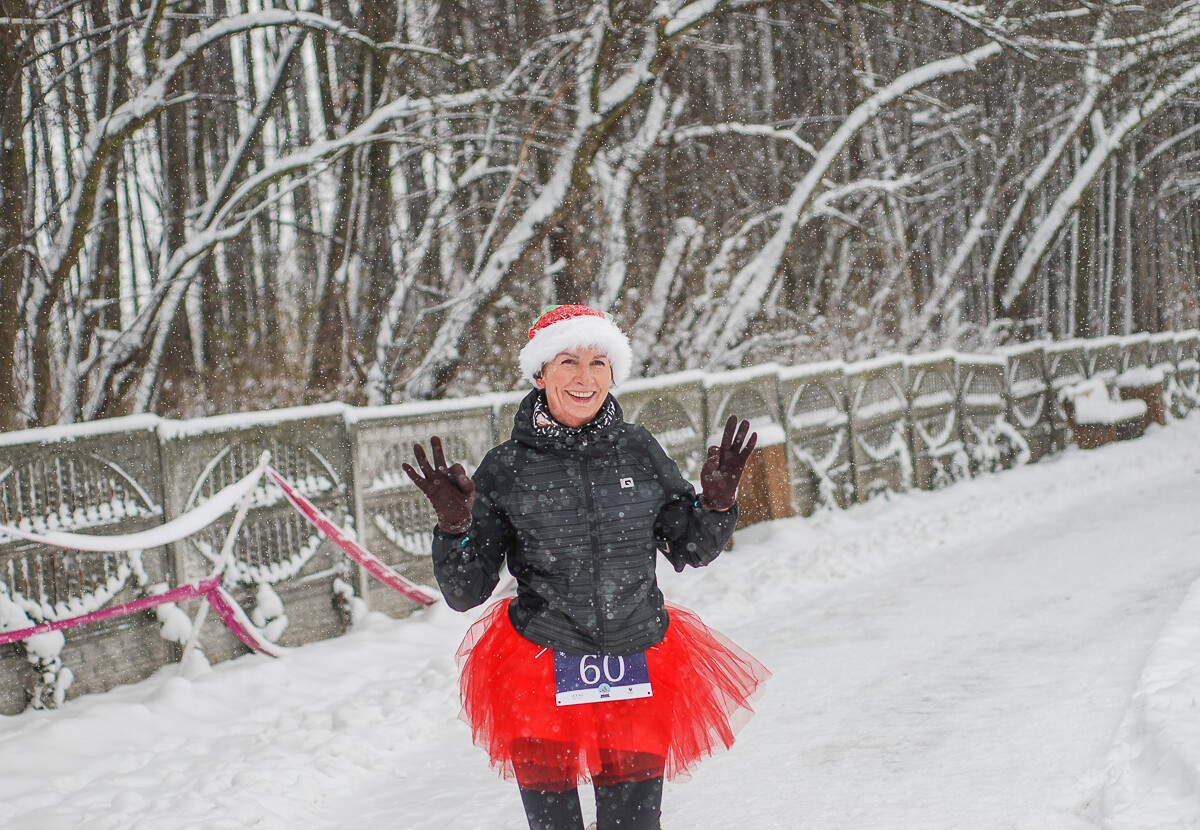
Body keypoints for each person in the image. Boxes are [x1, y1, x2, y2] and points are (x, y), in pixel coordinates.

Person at [403, 304, 769, 830]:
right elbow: (466, 590)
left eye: (599, 362)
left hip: (637, 661)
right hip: (541, 669)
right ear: (540, 373)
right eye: (568, 361)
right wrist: (454, 527)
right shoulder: (507, 467)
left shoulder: (639, 450)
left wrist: (715, 505)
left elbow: (689, 548)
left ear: (613, 374)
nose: (584, 377)